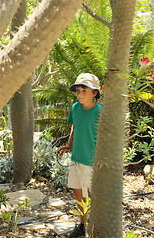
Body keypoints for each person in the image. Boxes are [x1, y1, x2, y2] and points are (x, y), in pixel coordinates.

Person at [57, 73, 101, 237]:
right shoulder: (75, 108)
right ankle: (82, 225)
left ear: (94, 93)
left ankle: (94, 226)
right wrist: (69, 145)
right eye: (78, 91)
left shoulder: (100, 112)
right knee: (77, 193)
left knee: (90, 194)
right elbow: (74, 127)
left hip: (91, 161)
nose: (80, 94)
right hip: (76, 158)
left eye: (84, 90)